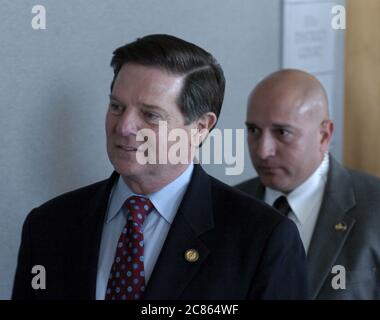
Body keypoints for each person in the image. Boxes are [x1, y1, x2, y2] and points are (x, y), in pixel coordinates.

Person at [12, 35, 307, 300]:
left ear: (201, 127)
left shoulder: (263, 239)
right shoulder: (48, 225)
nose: (125, 126)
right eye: (116, 107)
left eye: (150, 115)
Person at [236, 69, 380, 299]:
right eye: (253, 130)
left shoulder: (374, 208)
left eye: (282, 132)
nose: (263, 151)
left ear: (324, 135)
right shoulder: (229, 206)